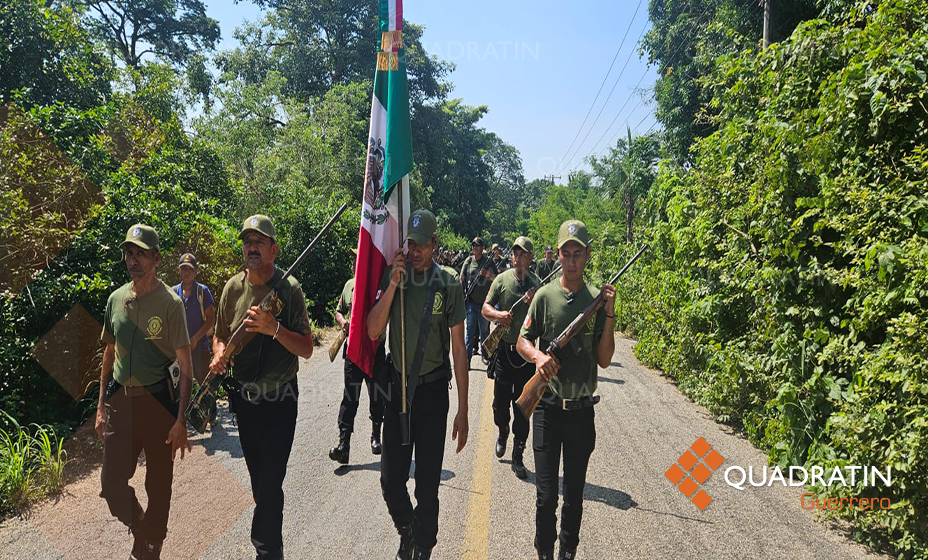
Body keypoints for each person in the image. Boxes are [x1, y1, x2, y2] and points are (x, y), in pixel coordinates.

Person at [210, 214, 314, 560]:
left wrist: (274, 329)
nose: (251, 247)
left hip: (281, 399)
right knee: (260, 485)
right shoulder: (232, 289)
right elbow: (219, 336)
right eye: (247, 241)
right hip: (243, 400)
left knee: (269, 485)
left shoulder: (289, 289)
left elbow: (307, 348)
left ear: (274, 249)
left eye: (259, 242)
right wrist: (219, 354)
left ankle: (268, 552)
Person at [367, 209, 469, 560]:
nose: (415, 252)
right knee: (390, 480)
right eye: (411, 244)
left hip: (432, 393)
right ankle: (408, 530)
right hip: (397, 390)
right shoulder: (395, 273)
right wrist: (393, 283)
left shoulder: (449, 282)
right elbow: (372, 329)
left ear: (435, 244)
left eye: (422, 245)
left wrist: (464, 411)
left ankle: (423, 546)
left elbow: (459, 349)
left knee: (427, 485)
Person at [517, 220, 616, 560]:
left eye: (578, 254)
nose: (572, 261)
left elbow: (604, 360)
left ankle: (567, 551)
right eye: (566, 254)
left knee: (574, 495)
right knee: (546, 496)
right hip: (545, 408)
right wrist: (539, 357)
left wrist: (610, 313)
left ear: (588, 255)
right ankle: (544, 550)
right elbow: (522, 341)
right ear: (557, 255)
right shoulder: (544, 297)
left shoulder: (596, 300)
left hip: (580, 412)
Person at [95, 224, 193, 560]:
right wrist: (100, 407)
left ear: (156, 258)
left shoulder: (171, 303)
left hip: (158, 402)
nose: (133, 259)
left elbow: (185, 366)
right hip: (121, 401)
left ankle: (152, 544)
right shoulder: (115, 300)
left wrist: (181, 419)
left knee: (159, 484)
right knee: (111, 485)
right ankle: (141, 525)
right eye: (129, 252)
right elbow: (108, 354)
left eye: (140, 253)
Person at [482, 236, 540, 479]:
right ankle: (502, 430)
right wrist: (499, 315)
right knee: (499, 405)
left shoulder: (538, 286)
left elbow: (545, 322)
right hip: (504, 352)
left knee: (523, 407)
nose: (517, 256)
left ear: (530, 258)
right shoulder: (502, 280)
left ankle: (518, 454)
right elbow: (485, 308)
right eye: (515, 252)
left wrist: (534, 300)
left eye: (522, 253)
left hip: (525, 356)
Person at [328, 274, 385, 464]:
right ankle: (343, 445)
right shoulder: (349, 285)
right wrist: (342, 321)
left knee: (377, 395)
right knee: (350, 397)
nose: (355, 262)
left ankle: (376, 436)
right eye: (354, 258)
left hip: (375, 350)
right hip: (353, 349)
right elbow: (339, 311)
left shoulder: (380, 284)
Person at [172, 253, 215, 385]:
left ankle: (208, 406)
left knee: (203, 387)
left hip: (200, 350)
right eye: (184, 269)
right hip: (179, 350)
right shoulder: (174, 292)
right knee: (181, 387)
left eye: (190, 269)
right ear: (179, 270)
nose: (187, 272)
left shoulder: (202, 291)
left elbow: (211, 319)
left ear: (195, 272)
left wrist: (195, 339)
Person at [460, 237, 497, 365]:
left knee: (484, 331)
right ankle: (467, 359)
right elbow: (461, 278)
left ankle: (485, 355)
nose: (475, 248)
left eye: (477, 246)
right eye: (473, 245)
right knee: (469, 332)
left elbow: (497, 280)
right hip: (471, 302)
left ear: (482, 248)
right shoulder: (469, 261)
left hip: (485, 303)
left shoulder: (489, 262)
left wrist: (488, 275)